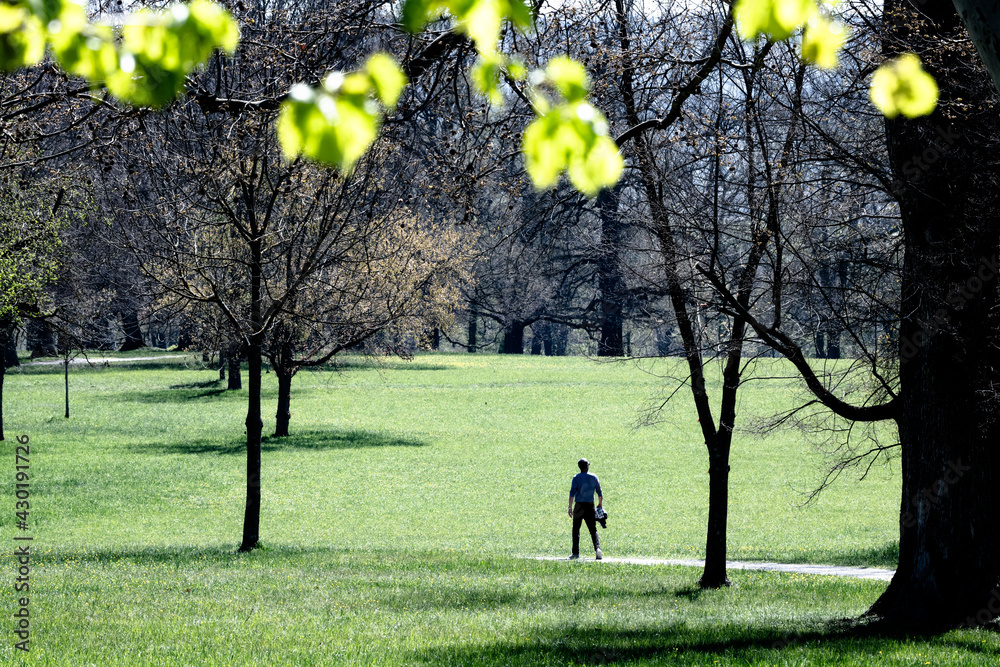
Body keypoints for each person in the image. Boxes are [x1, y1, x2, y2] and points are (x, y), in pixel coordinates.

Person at [568, 458, 603, 560]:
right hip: (590, 505)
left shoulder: (576, 478)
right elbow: (599, 492)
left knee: (576, 529)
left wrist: (570, 507)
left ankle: (575, 553)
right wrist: (600, 504)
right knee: (593, 529)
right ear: (587, 466)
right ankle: (597, 549)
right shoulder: (593, 477)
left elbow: (572, 493)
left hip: (579, 506)